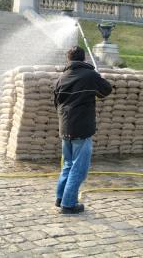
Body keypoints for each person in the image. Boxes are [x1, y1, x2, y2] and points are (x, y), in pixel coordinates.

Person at [54, 46, 112, 214]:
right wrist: (98, 77)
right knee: (78, 168)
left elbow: (56, 103)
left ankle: (60, 198)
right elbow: (106, 90)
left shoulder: (61, 78)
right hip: (82, 128)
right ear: (84, 58)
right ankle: (68, 204)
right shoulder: (90, 75)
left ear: (68, 59)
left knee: (67, 164)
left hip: (64, 127)